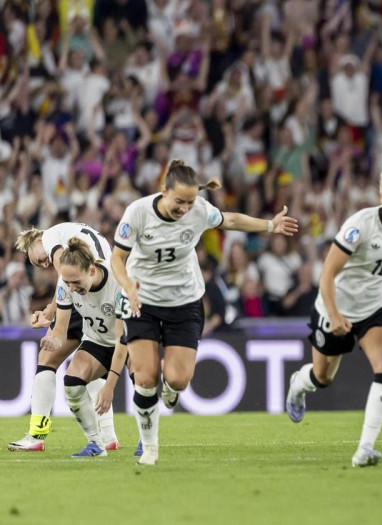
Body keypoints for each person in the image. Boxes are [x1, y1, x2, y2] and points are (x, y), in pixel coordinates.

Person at [112, 160, 299, 466]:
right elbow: (116, 258)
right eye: (179, 201)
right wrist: (128, 286)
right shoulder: (138, 213)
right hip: (142, 302)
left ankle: (171, 389)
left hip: (185, 302)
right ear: (163, 192)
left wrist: (269, 225)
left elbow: (232, 220)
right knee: (145, 378)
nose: (185, 208)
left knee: (178, 379)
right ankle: (150, 448)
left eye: (190, 201)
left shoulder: (199, 210)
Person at [285, 146, 382, 466]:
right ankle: (299, 384)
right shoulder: (361, 226)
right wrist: (337, 315)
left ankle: (365, 448)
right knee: (322, 378)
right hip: (335, 306)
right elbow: (327, 274)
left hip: (377, 308)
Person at [9, 222, 118, 452]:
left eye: (37, 260)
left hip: (83, 294)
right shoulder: (77, 232)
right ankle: (107, 434)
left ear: (37, 242)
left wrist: (53, 309)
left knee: (47, 359)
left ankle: (36, 434)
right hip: (101, 291)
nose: (43, 263)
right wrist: (51, 310)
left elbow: (66, 275)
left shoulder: (49, 237)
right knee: (92, 358)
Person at [50, 238, 130, 457]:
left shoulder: (118, 283)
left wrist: (110, 386)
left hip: (129, 340)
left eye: (76, 282)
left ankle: (147, 441)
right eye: (67, 282)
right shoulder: (66, 283)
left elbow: (122, 339)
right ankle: (96, 444)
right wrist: (51, 335)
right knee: (72, 384)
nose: (72, 287)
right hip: (96, 340)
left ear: (92, 270)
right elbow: (62, 326)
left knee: (143, 382)